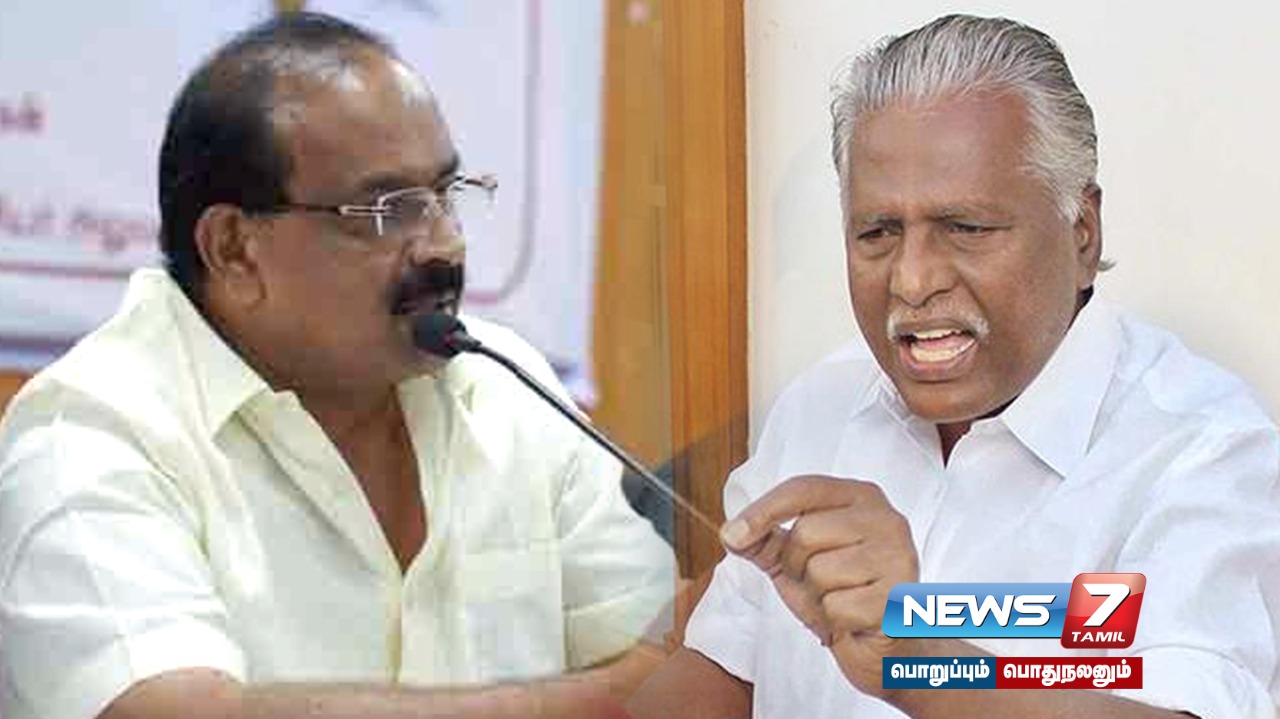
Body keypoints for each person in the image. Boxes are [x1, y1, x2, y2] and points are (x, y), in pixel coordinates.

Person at [0, 12, 673, 719]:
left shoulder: (502, 386)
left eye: (446, 194)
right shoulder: (89, 436)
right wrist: (603, 701)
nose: (442, 245)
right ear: (233, 249)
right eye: (387, 210)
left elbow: (676, 663)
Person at [629, 13, 1280, 719]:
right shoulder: (820, 408)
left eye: (966, 228)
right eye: (878, 233)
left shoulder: (1204, 453)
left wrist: (917, 655)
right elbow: (724, 671)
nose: (911, 281)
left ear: (1083, 232)